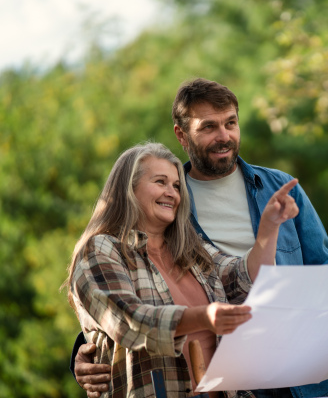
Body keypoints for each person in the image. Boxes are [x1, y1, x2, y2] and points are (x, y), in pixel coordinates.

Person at [73, 78, 328, 398]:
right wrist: (87, 347)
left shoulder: (276, 189)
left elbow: (321, 271)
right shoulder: (171, 217)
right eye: (208, 127)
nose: (223, 136)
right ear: (182, 135)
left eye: (230, 123)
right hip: (242, 382)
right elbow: (127, 304)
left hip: (312, 374)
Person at [66, 142, 299, 397]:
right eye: (160, 182)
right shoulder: (101, 250)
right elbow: (128, 322)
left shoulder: (192, 250)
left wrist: (269, 227)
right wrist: (203, 316)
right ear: (128, 189)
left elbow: (245, 278)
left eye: (176, 186)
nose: (172, 193)